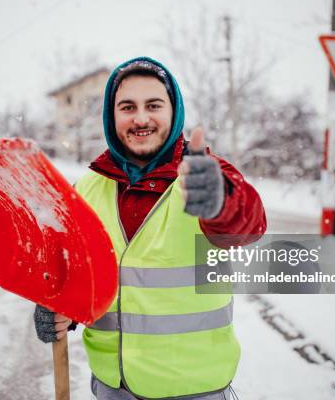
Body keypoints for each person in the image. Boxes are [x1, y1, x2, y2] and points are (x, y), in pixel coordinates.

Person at [34, 57, 266, 399]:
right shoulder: (88, 188)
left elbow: (249, 223)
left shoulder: (205, 174)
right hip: (113, 388)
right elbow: (81, 280)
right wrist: (61, 310)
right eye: (128, 107)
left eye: (153, 105)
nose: (140, 118)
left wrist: (221, 202)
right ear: (112, 117)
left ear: (174, 112)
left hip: (195, 389)